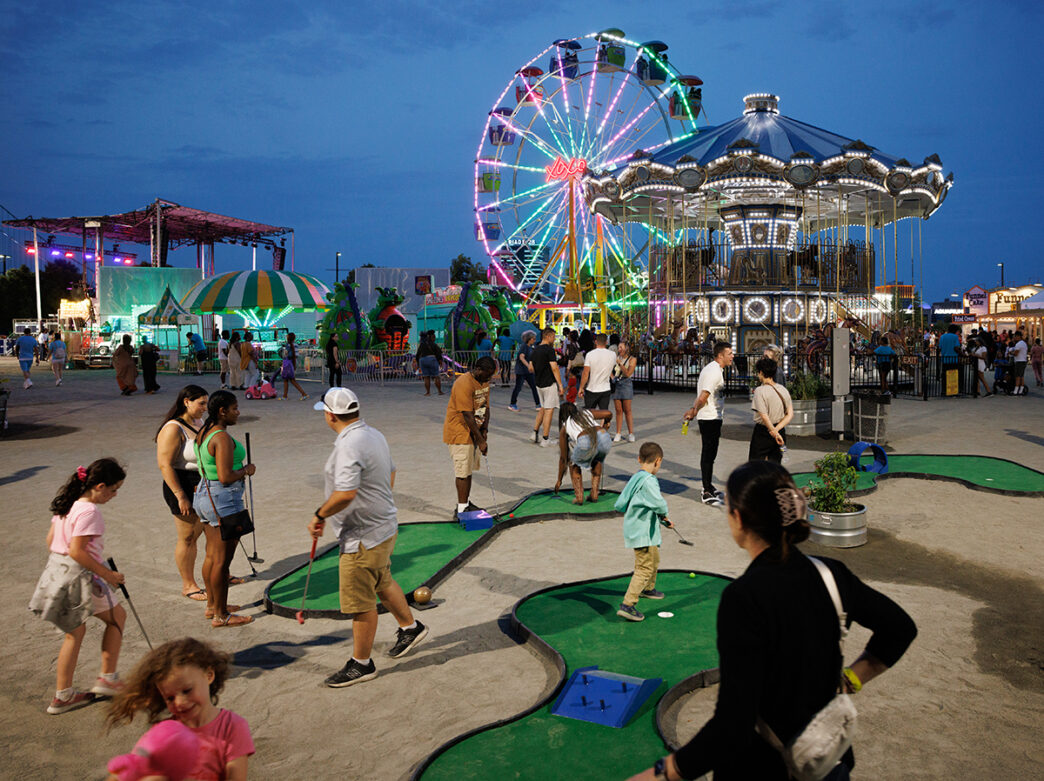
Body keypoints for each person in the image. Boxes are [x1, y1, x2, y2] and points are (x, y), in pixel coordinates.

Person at [626, 460, 917, 781]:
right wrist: (850, 680)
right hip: (828, 762)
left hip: (762, 768)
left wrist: (662, 772)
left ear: (737, 518)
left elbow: (732, 726)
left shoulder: (744, 598)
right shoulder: (832, 574)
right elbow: (900, 628)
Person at [309, 387, 429, 687]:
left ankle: (362, 663)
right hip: (383, 526)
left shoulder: (349, 445)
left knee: (360, 602)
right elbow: (391, 473)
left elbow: (346, 492)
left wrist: (320, 515)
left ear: (330, 415)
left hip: (362, 536)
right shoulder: (373, 434)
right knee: (381, 580)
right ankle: (410, 626)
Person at [29, 458, 128, 714]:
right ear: (100, 486)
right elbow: (77, 551)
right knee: (117, 618)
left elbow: (51, 541)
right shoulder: (90, 511)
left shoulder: (67, 505)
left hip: (56, 573)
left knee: (75, 633)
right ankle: (108, 679)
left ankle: (63, 695)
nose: (115, 496)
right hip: (79, 577)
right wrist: (109, 575)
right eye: (114, 490)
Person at [106, 637, 254, 779]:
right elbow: (135, 767)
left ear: (209, 675)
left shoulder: (232, 727)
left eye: (187, 690)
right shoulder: (164, 734)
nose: (180, 702)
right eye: (170, 698)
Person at [192, 391, 255, 628]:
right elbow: (226, 475)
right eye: (234, 408)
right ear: (222, 411)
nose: (238, 412)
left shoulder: (204, 431)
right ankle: (221, 615)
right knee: (222, 561)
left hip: (205, 494)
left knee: (211, 555)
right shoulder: (221, 438)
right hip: (223, 498)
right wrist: (246, 470)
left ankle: (213, 605)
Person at [156, 385, 211, 605]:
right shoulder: (173, 428)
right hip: (182, 484)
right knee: (188, 537)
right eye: (201, 403)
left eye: (206, 403)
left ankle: (218, 574)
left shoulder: (200, 423)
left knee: (209, 532)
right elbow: (165, 465)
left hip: (203, 483)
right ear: (187, 401)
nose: (205, 409)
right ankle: (188, 585)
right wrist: (180, 495)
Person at [614, 441, 671, 622]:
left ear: (639, 459)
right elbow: (659, 503)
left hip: (641, 529)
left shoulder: (637, 477)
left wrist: (661, 518)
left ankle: (648, 588)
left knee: (654, 558)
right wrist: (665, 515)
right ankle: (628, 605)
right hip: (642, 532)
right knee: (644, 567)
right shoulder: (649, 481)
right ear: (658, 461)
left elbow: (631, 502)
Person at [683, 341, 734, 506]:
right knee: (708, 454)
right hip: (709, 417)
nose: (732, 356)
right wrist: (693, 411)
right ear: (720, 356)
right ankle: (706, 491)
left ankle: (709, 486)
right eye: (729, 353)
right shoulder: (714, 372)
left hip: (713, 416)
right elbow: (704, 395)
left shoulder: (714, 369)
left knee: (711, 454)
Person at [443, 356, 495, 518]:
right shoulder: (463, 383)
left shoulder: (484, 382)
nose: (490, 378)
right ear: (478, 370)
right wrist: (480, 440)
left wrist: (484, 430)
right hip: (460, 431)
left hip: (475, 431)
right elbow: (467, 415)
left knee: (468, 469)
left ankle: (464, 504)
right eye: (488, 374)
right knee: (462, 471)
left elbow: (485, 407)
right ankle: (460, 510)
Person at [554, 401, 612, 504]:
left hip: (585, 439)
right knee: (597, 459)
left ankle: (579, 497)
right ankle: (594, 494)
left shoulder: (565, 426)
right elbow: (608, 413)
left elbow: (563, 458)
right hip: (604, 436)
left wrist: (559, 480)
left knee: (573, 463)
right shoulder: (586, 413)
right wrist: (607, 423)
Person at [750, 357, 793, 463]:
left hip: (763, 432)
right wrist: (777, 431)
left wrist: (773, 432)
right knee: (775, 465)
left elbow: (764, 416)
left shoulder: (760, 391)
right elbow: (790, 414)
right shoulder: (783, 389)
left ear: (761, 372)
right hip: (780, 430)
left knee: (755, 465)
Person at [531, 328, 564, 447]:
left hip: (538, 383)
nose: (554, 339)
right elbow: (554, 368)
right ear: (548, 336)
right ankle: (545, 438)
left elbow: (531, 367)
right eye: (554, 337)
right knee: (549, 410)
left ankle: (535, 431)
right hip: (549, 383)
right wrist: (560, 384)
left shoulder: (535, 350)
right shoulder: (549, 350)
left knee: (543, 408)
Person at [578, 332, 616, 412]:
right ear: (606, 342)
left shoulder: (590, 354)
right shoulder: (613, 354)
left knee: (589, 413)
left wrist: (581, 387)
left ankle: (591, 424)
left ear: (596, 342)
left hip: (592, 388)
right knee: (604, 412)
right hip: (605, 388)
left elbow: (585, 373)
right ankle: (604, 424)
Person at [612, 339, 638, 442]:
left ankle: (631, 433)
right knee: (618, 410)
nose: (619, 349)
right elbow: (610, 369)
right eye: (618, 347)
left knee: (627, 410)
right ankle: (618, 433)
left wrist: (620, 364)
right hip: (617, 383)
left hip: (626, 384)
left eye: (621, 347)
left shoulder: (632, 359)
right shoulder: (617, 358)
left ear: (626, 349)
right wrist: (612, 377)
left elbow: (628, 373)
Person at [508, 330, 539, 411]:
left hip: (528, 371)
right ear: (529, 339)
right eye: (533, 338)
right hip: (521, 371)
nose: (534, 340)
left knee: (534, 387)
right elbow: (522, 357)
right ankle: (512, 404)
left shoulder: (531, 347)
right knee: (518, 387)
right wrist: (528, 365)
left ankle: (538, 404)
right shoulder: (524, 346)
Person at [280, 332, 309, 401]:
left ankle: (303, 394)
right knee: (289, 379)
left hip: (287, 363)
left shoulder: (288, 345)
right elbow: (296, 355)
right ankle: (285, 395)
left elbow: (285, 354)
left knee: (288, 380)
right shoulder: (295, 345)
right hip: (292, 363)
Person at [416, 331, 443, 396]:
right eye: (434, 337)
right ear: (430, 337)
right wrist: (440, 361)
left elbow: (418, 355)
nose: (435, 338)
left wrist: (418, 364)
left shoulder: (422, 344)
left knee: (426, 377)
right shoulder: (433, 344)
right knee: (436, 376)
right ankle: (439, 391)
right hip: (431, 359)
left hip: (422, 360)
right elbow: (438, 353)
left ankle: (428, 392)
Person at [1010, 330, 1029, 396]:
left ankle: (1016, 391)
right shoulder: (1024, 343)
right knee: (1021, 376)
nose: (1014, 338)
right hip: (1023, 360)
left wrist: (1011, 352)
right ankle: (1021, 390)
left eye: (1015, 336)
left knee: (1017, 376)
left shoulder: (1018, 344)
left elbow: (1016, 353)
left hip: (1019, 361)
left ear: (1018, 336)